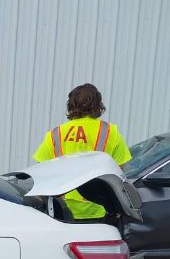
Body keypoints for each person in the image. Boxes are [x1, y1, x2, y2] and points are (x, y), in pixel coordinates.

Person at [33, 83, 131, 220]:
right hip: (97, 207)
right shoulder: (110, 132)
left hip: (62, 207)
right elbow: (118, 173)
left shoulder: (56, 133)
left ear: (71, 105)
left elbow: (41, 172)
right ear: (98, 105)